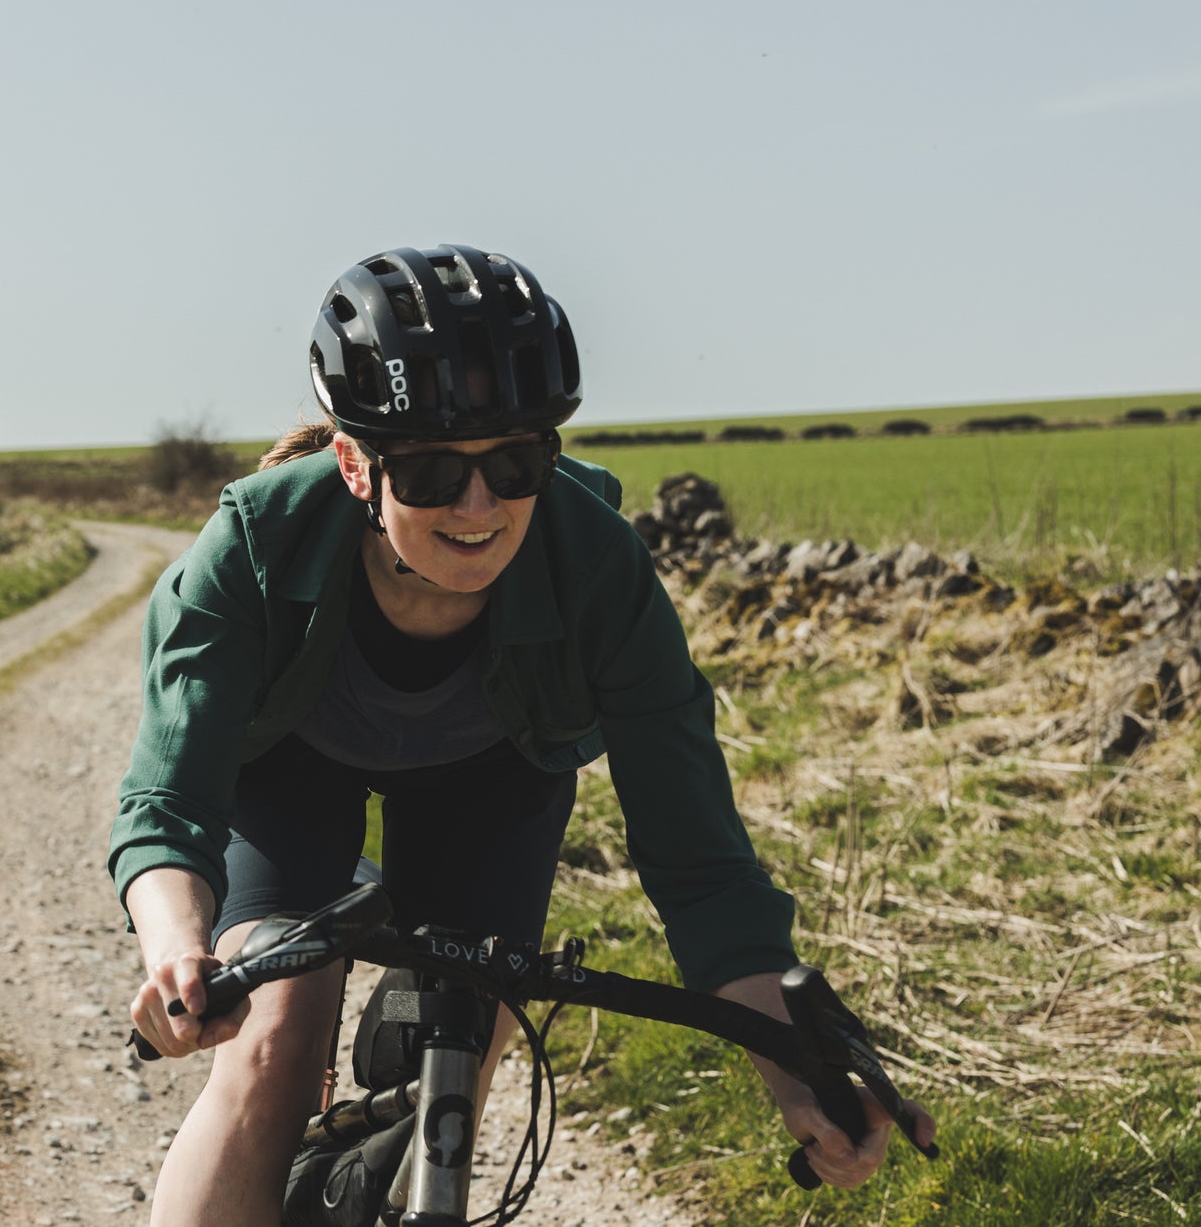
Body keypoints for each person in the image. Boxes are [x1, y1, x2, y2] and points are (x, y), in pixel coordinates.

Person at [107, 245, 935, 1225]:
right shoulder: (252, 545)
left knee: (470, 1036)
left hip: (491, 776)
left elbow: (700, 865)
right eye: (426, 472)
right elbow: (169, 802)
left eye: (514, 462)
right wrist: (178, 957)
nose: (477, 506)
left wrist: (793, 1067)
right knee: (275, 1038)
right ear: (352, 465)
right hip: (288, 773)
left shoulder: (596, 567)